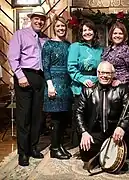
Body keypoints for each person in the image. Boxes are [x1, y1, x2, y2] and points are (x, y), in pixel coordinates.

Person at [75, 61, 129, 171]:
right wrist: (84, 132)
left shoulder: (122, 89)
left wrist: (121, 127)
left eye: (108, 73)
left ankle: (106, 156)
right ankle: (101, 155)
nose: (104, 76)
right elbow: (78, 112)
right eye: (102, 72)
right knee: (86, 153)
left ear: (113, 74)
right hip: (95, 132)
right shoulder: (88, 90)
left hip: (114, 133)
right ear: (98, 73)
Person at [7, 6, 48, 166]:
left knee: (37, 116)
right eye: (36, 18)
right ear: (31, 19)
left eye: (42, 19)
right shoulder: (20, 35)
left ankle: (33, 148)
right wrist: (20, 76)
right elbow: (12, 57)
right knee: (24, 117)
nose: (39, 21)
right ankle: (23, 153)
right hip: (25, 75)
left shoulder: (45, 39)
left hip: (40, 78)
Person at [68, 19, 103, 148]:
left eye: (90, 30)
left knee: (93, 114)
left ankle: (92, 142)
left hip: (96, 84)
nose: (87, 32)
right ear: (81, 32)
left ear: (94, 32)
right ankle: (78, 144)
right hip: (80, 85)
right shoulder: (75, 47)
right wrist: (83, 80)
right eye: (84, 30)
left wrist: (96, 81)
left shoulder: (99, 49)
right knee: (79, 114)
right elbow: (71, 68)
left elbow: (102, 68)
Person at [42, 16, 72, 160]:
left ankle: (60, 145)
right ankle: (54, 148)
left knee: (64, 117)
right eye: (59, 26)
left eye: (63, 27)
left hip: (66, 84)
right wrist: (50, 85)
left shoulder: (68, 44)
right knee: (56, 119)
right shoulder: (48, 45)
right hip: (54, 83)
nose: (61, 29)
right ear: (54, 27)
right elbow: (45, 67)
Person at [101, 22, 129, 87]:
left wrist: (121, 80)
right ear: (111, 35)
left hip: (120, 87)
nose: (117, 36)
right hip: (106, 85)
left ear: (124, 36)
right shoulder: (106, 49)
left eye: (120, 33)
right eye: (115, 33)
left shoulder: (126, 50)